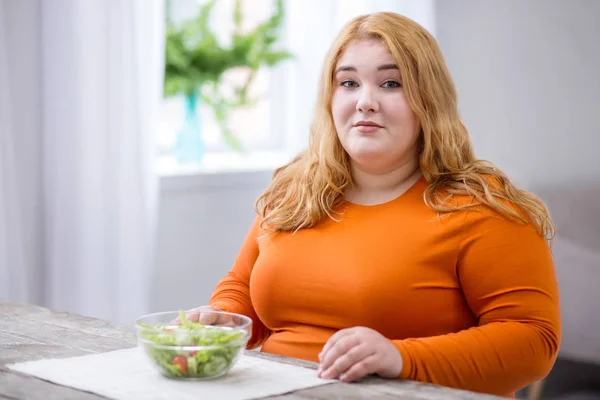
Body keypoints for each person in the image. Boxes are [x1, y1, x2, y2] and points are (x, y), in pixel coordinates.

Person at [184, 11, 561, 398]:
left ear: (428, 100)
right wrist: (224, 319)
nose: (365, 102)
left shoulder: (482, 205)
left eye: (391, 83)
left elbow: (533, 343)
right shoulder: (295, 186)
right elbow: (242, 287)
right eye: (348, 82)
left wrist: (400, 358)